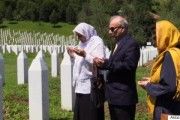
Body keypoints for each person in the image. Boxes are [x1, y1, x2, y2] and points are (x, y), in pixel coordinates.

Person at [94, 16, 140, 120]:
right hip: (114, 95)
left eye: (112, 29)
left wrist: (106, 64)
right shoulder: (118, 43)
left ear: (122, 28)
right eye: (109, 29)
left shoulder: (131, 44)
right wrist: (102, 63)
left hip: (123, 96)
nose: (109, 31)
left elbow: (129, 66)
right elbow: (115, 63)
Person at [138, 20, 180, 120]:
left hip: (167, 109)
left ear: (166, 36)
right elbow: (173, 78)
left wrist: (149, 86)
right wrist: (153, 80)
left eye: (157, 37)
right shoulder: (177, 52)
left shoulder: (170, 55)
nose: (155, 41)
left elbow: (169, 88)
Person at [67, 22, 105, 120]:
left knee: (90, 115)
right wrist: (73, 55)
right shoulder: (82, 44)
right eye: (77, 35)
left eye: (80, 35)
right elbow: (81, 64)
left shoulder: (97, 42)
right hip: (80, 86)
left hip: (91, 86)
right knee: (81, 114)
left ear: (86, 32)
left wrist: (84, 54)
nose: (78, 38)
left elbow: (99, 63)